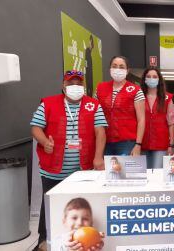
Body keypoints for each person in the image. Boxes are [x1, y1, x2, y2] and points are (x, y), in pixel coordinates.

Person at [30, 70, 107, 250]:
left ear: (84, 86)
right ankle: (44, 240)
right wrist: (43, 141)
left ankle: (84, 240)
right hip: (53, 168)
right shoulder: (48, 103)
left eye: (79, 84)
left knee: (82, 207)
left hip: (83, 169)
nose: (75, 87)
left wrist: (98, 158)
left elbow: (100, 131)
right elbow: (35, 127)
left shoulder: (93, 105)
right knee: (49, 205)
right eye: (71, 83)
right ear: (63, 86)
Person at [96, 56, 145, 156]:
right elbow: (95, 116)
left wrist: (138, 144)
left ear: (127, 71)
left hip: (127, 142)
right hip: (104, 141)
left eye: (121, 67)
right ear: (110, 69)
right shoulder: (100, 88)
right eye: (114, 66)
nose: (118, 69)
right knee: (105, 171)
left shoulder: (136, 90)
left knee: (124, 171)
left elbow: (141, 120)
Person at [141, 67, 174, 169]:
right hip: (142, 143)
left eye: (154, 76)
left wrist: (171, 144)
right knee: (144, 175)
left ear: (159, 79)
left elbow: (171, 123)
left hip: (161, 144)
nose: (151, 79)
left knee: (157, 174)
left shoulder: (167, 98)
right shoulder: (139, 97)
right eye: (148, 76)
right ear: (144, 79)